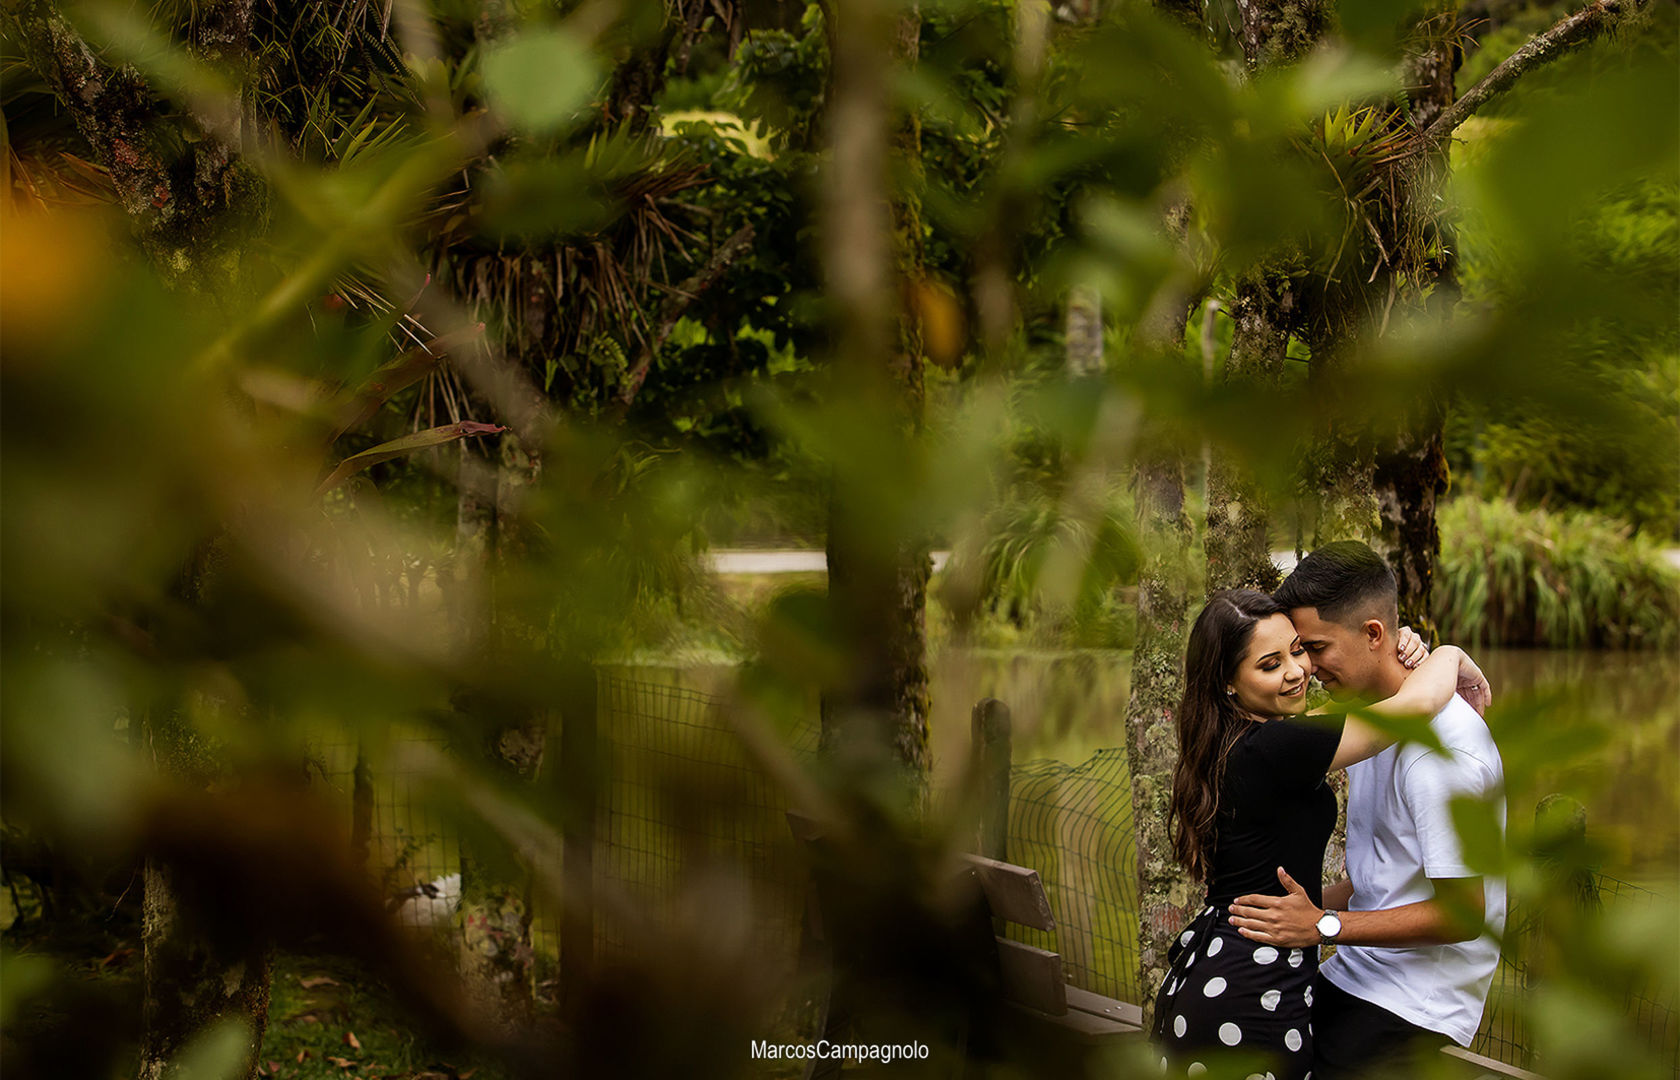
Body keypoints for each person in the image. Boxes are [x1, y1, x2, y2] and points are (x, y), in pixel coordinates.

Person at [1152, 587, 1488, 1080]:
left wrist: (1321, 906)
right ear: (1228, 680)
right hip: (1249, 996)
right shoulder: (1279, 744)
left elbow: (1272, 873)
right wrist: (1449, 654)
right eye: (1269, 665)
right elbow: (1416, 707)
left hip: (1219, 974)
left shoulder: (1232, 741)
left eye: (1299, 649)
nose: (1296, 671)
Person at [1228, 542, 1505, 1079]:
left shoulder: (1441, 756)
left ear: (1373, 634)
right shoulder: (1368, 723)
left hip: (1416, 999)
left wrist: (1322, 924)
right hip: (1360, 970)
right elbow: (1385, 874)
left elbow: (1465, 914)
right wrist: (1289, 912)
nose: (1305, 666)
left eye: (1314, 647)